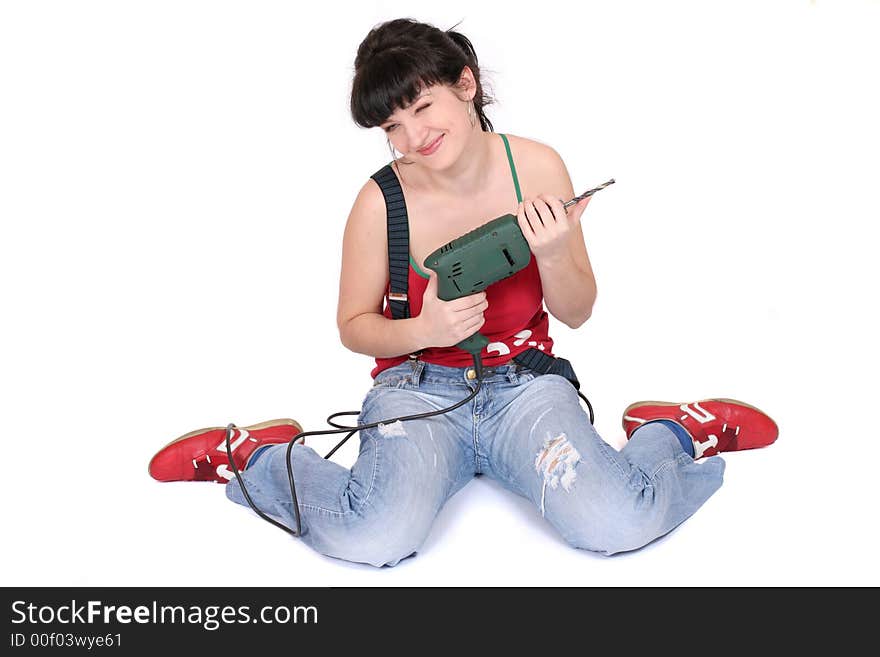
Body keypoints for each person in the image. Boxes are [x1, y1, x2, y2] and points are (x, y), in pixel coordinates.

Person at [148, 17, 779, 568]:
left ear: (466, 84)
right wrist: (422, 331)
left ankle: (671, 431)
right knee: (372, 536)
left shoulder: (535, 166)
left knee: (619, 523)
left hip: (525, 387)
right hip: (418, 390)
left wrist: (555, 250)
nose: (413, 137)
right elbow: (352, 325)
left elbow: (579, 312)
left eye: (422, 108)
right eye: (392, 126)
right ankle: (257, 455)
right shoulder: (379, 202)